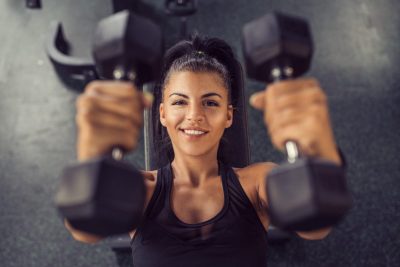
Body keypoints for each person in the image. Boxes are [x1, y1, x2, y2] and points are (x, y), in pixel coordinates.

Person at [64, 35, 343, 266]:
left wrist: (320, 148)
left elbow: (316, 229)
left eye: (210, 103)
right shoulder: (140, 189)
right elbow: (84, 232)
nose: (194, 115)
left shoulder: (257, 183)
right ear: (162, 113)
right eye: (179, 102)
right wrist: (91, 156)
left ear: (229, 115)